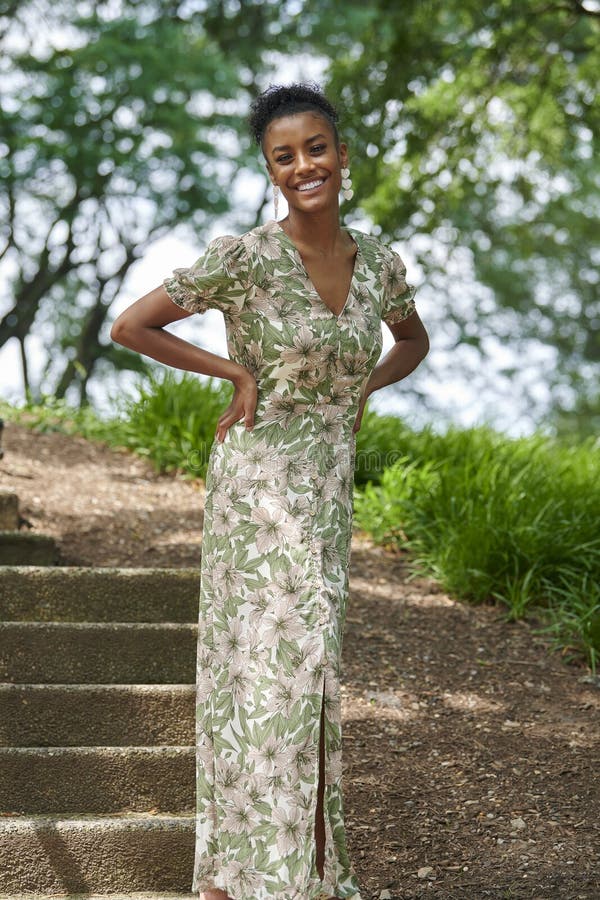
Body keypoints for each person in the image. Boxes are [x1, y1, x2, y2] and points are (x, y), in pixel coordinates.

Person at [111, 82, 429, 900]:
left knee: (309, 673)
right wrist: (233, 369)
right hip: (257, 484)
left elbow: (412, 340)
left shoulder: (381, 264)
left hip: (325, 482)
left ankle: (297, 871)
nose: (303, 166)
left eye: (315, 149)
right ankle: (251, 877)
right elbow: (131, 325)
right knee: (262, 672)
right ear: (270, 170)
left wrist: (365, 388)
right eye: (283, 157)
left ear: (342, 155)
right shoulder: (244, 257)